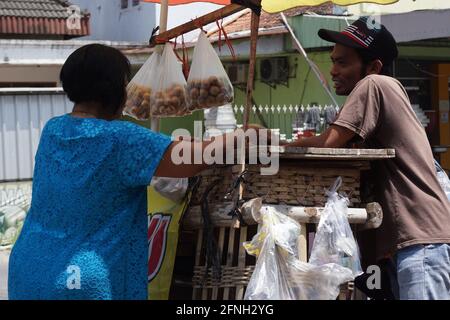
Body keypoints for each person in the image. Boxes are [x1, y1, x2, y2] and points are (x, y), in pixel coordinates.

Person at [7, 44, 253, 300]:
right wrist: (244, 135)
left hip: (29, 268)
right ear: (112, 89)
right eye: (125, 85)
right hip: (81, 280)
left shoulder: (53, 130)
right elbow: (194, 158)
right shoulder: (120, 139)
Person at [287, 17, 450, 300]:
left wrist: (269, 142)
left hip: (421, 243)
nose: (334, 70)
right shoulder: (376, 97)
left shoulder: (375, 84)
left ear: (372, 66)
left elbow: (328, 144)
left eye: (343, 62)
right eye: (333, 61)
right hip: (406, 247)